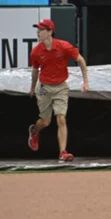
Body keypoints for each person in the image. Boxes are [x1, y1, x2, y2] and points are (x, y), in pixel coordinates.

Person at [27, 19, 89, 162]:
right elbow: (35, 70)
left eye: (41, 30)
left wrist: (85, 82)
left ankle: (62, 153)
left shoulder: (64, 46)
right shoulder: (36, 51)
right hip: (43, 87)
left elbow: (81, 60)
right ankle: (34, 131)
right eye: (38, 29)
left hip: (60, 86)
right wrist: (32, 88)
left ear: (50, 32)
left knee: (61, 118)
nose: (38, 32)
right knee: (45, 121)